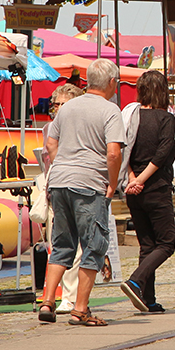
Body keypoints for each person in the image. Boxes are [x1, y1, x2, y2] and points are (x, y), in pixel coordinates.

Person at [38, 59, 124, 327]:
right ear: (111, 82)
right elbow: (113, 152)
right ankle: (80, 309)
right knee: (94, 245)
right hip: (89, 184)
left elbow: (51, 141)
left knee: (62, 244)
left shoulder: (68, 107)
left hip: (61, 181)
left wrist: (62, 162)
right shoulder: (110, 110)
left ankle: (48, 301)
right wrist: (111, 183)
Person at [120, 70, 175, 314]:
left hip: (134, 189)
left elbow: (125, 150)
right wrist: (142, 179)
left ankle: (148, 297)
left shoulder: (131, 117)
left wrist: (132, 178)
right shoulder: (166, 119)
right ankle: (136, 281)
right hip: (155, 186)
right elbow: (162, 153)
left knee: (147, 244)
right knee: (166, 243)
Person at [40, 84, 86, 314]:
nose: (58, 108)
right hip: (54, 190)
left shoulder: (78, 129)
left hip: (74, 187)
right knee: (56, 243)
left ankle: (69, 296)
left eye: (63, 104)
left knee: (74, 246)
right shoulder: (49, 127)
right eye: (56, 104)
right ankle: (55, 295)